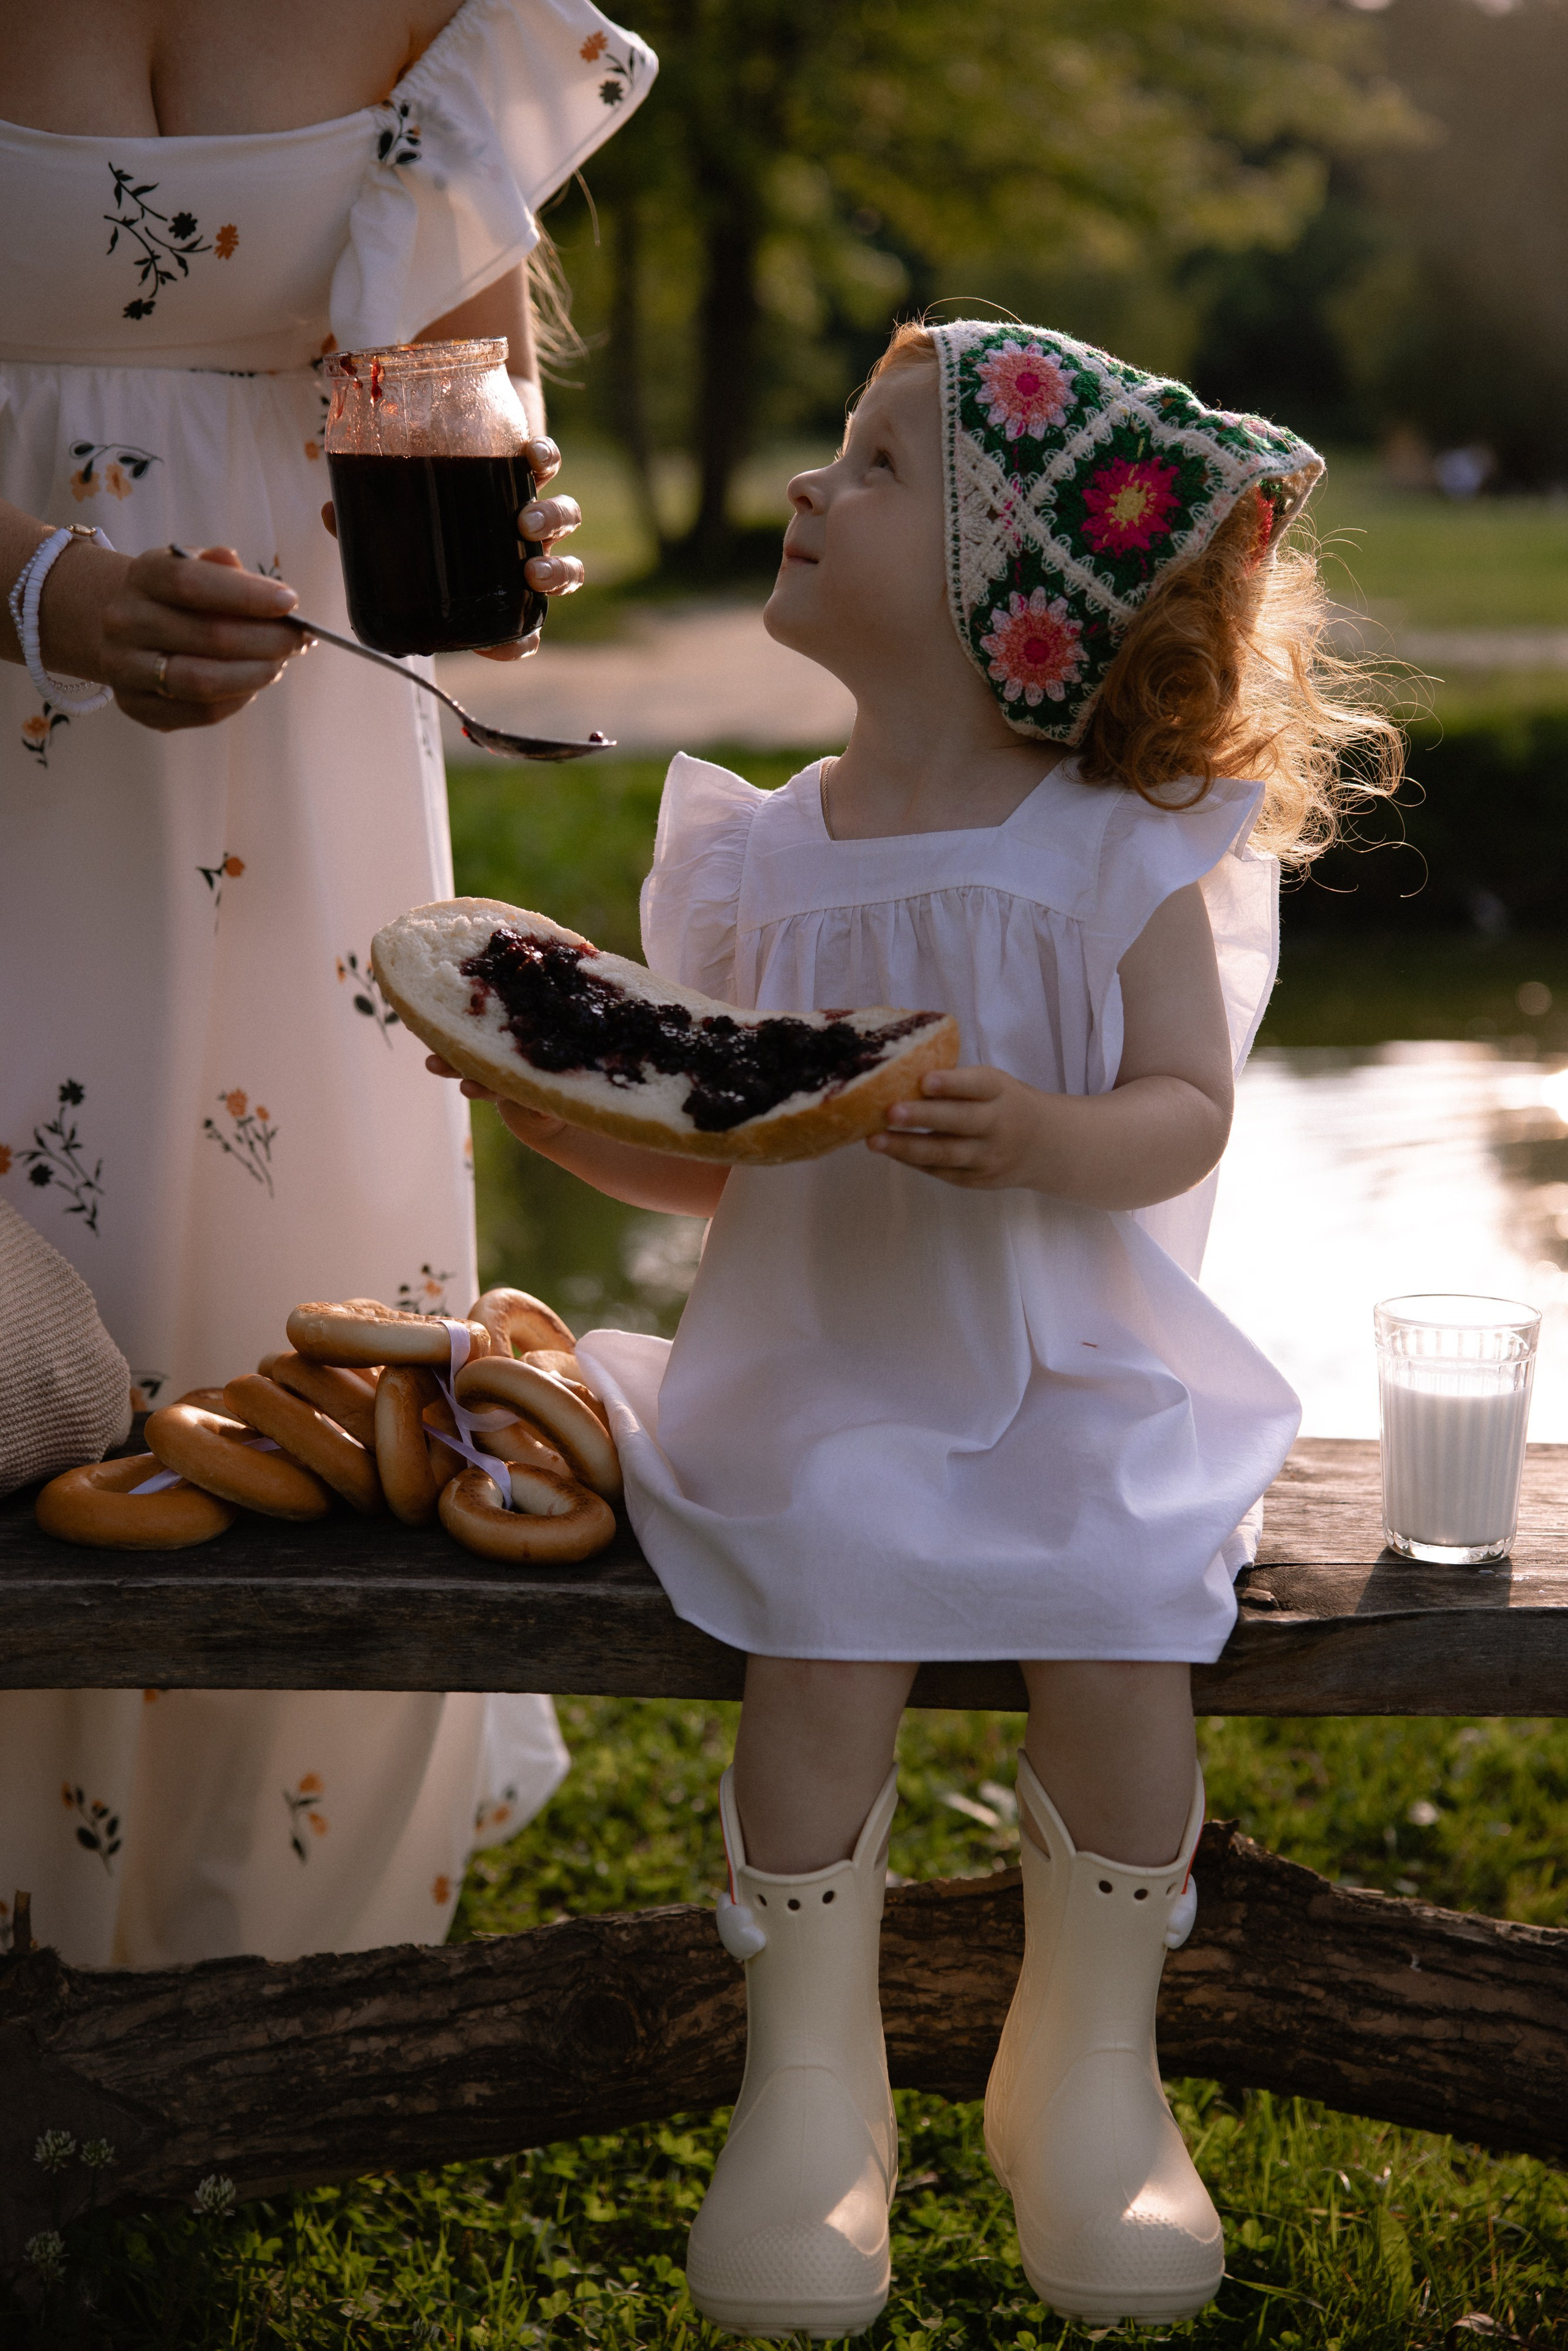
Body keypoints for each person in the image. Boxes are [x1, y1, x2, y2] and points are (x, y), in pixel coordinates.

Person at [432, 318, 1401, 2331]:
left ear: (1012, 605)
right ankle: (816, 2096)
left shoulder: (1113, 853)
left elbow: (1184, 1114)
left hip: (1073, 1363)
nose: (810, 486)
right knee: (827, 1626)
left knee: (1126, 1616)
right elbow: (732, 1161)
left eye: (876, 468)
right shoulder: (763, 863)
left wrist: (1050, 1135)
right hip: (829, 1375)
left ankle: (1090, 2073)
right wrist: (564, 1114)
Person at [0, 0, 655, 1969]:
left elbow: (446, 388)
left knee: (278, 1331)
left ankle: (236, 1988)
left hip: (288, 776)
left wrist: (503, 546)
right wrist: (46, 592)